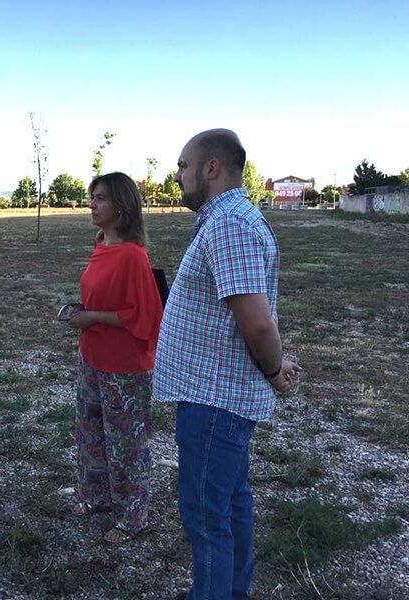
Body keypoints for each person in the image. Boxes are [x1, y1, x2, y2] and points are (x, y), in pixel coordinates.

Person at [153, 129, 301, 600]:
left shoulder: (229, 225)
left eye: (182, 166)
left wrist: (275, 369)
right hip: (216, 397)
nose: (177, 176)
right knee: (231, 505)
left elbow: (256, 324)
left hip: (214, 401)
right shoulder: (227, 220)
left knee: (207, 518)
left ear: (211, 168)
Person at [66, 172, 164, 543]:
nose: (92, 203)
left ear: (121, 206)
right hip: (92, 356)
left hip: (124, 367)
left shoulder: (132, 256)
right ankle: (96, 499)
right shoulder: (101, 244)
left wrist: (93, 318)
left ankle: (132, 517)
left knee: (126, 444)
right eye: (92, 197)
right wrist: (82, 311)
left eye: (101, 198)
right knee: (90, 433)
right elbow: (102, 295)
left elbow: (146, 316)